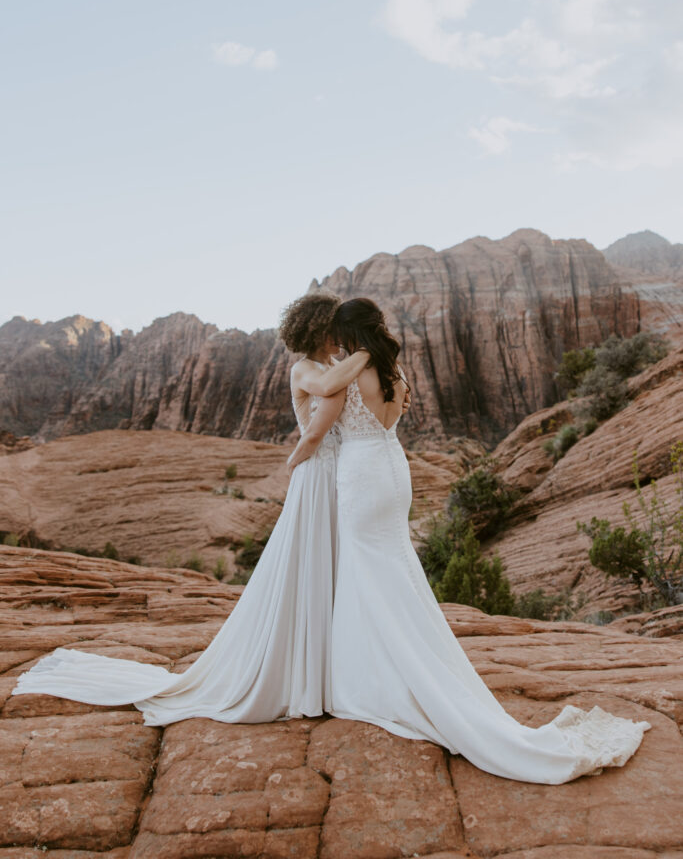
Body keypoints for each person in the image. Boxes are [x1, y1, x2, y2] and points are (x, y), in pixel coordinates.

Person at [288, 296, 652, 784]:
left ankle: (380, 677)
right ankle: (407, 660)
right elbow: (390, 421)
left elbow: (326, 412)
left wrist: (295, 460)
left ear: (349, 333)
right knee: (395, 564)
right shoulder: (395, 374)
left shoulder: (350, 374)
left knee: (366, 569)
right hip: (393, 468)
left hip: (361, 474)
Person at [11, 291, 371, 725]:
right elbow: (330, 391)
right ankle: (305, 678)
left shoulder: (334, 364)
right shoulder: (305, 369)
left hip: (338, 476)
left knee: (332, 565)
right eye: (337, 329)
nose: (342, 338)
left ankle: (329, 672)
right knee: (308, 565)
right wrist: (372, 349)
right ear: (320, 327)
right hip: (315, 476)